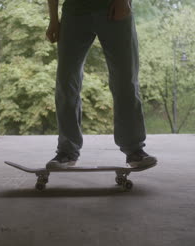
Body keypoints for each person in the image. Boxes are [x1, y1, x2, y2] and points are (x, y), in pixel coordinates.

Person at [45, 0, 157, 169]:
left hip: (113, 6)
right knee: (66, 80)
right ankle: (67, 151)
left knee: (125, 79)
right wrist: (53, 19)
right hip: (75, 10)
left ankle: (134, 150)